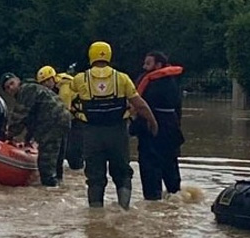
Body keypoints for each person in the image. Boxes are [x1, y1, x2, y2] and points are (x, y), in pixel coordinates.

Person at [70, 41, 157, 209]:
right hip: (117, 133)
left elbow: (67, 101)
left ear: (91, 56)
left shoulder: (80, 79)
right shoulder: (122, 78)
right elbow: (140, 104)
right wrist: (152, 121)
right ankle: (124, 209)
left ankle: (95, 215)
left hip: (92, 134)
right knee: (122, 172)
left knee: (94, 176)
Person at [0, 72, 72, 187]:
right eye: (7, 88)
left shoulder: (25, 90)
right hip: (63, 119)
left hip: (52, 122)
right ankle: (59, 187)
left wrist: (7, 136)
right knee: (57, 160)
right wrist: (28, 139)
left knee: (45, 163)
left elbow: (18, 117)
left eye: (12, 83)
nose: (11, 88)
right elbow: (30, 119)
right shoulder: (33, 87)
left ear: (18, 80)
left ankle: (50, 190)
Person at [132, 50, 185, 199]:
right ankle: (174, 194)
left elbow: (139, 106)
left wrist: (134, 127)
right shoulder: (173, 82)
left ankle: (152, 199)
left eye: (148, 63)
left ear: (158, 65)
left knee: (149, 166)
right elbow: (178, 108)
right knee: (170, 164)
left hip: (151, 129)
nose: (144, 67)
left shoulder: (147, 81)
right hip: (171, 128)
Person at [36, 65, 84, 177]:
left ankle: (79, 173)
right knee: (65, 150)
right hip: (69, 120)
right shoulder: (54, 88)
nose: (45, 85)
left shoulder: (65, 87)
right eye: (42, 83)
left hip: (78, 120)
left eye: (46, 81)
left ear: (52, 78)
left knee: (74, 153)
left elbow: (63, 110)